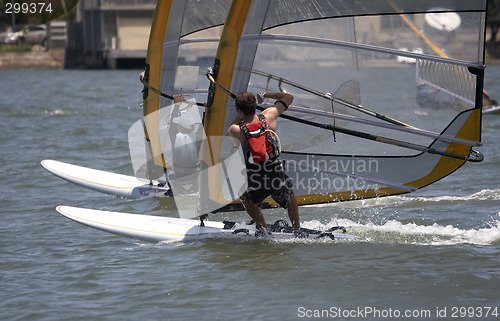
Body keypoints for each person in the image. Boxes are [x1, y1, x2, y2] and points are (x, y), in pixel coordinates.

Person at [227, 91, 306, 237]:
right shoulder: (269, 117)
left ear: (239, 110)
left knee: (245, 197)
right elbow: (288, 97)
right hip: (275, 173)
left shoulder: (235, 130)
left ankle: (264, 229)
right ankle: (297, 230)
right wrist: (265, 94)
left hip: (254, 178)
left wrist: (240, 114)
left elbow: (230, 132)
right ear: (255, 106)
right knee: (290, 197)